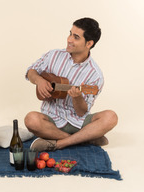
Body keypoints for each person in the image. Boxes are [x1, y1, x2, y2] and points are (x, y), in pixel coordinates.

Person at [24, 17, 118, 152]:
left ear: (89, 43)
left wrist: (77, 97)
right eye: (70, 34)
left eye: (76, 37)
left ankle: (60, 143)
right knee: (31, 119)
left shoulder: (95, 75)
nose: (69, 39)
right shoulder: (53, 55)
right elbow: (30, 72)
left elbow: (81, 112)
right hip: (51, 120)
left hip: (79, 123)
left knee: (111, 117)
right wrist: (39, 81)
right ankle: (84, 139)